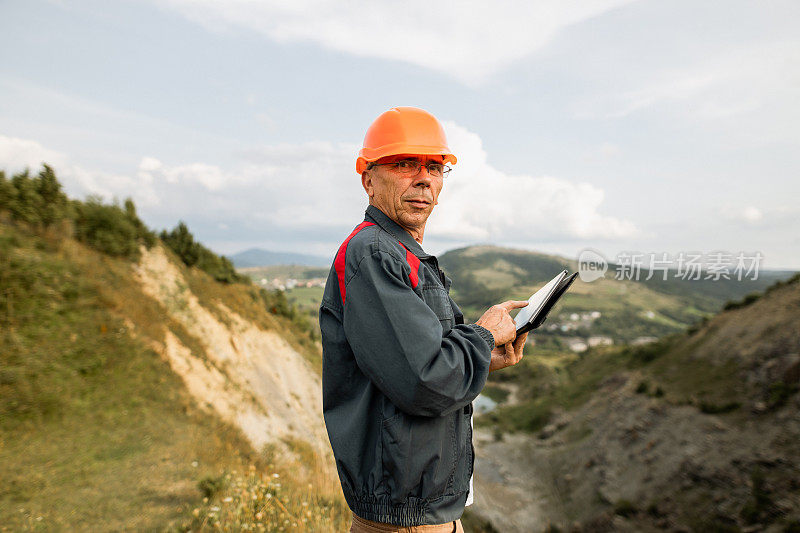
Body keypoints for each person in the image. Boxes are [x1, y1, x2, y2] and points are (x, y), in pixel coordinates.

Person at [319, 107, 529, 532]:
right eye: (403, 164)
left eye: (435, 167)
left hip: (425, 513)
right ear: (368, 178)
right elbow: (425, 381)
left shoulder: (402, 255)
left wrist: (479, 357)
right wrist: (483, 335)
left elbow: (420, 362)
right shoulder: (376, 254)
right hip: (406, 522)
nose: (424, 178)